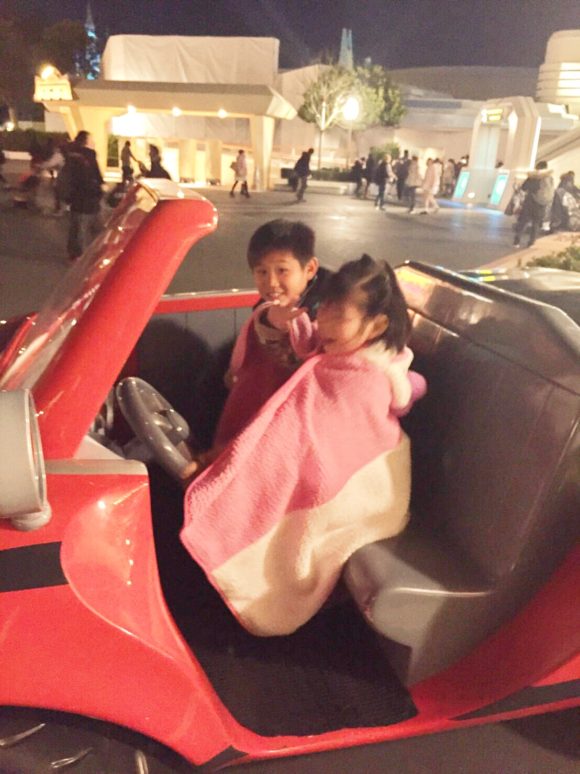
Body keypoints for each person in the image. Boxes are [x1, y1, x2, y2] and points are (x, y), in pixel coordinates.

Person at [180, 254, 426, 636]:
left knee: (251, 491)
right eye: (324, 309)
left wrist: (232, 464)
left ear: (377, 325)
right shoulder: (335, 355)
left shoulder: (366, 380)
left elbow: (316, 446)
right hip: (320, 462)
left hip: (366, 490)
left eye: (339, 315)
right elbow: (294, 426)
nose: (324, 323)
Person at [182, 219, 332, 478]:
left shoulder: (330, 314)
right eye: (262, 272)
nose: (271, 282)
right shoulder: (268, 309)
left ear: (309, 269)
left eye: (282, 270)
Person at [65, 130, 104, 260]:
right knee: (88, 227)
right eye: (91, 139)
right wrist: (99, 188)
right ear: (86, 142)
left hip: (76, 198)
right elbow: (93, 177)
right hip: (88, 197)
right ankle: (85, 255)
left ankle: (74, 253)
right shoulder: (88, 157)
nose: (94, 142)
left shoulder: (72, 156)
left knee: (77, 226)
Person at [513, 160, 555, 248]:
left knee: (523, 221)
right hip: (541, 204)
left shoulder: (533, 177)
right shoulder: (549, 178)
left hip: (530, 202)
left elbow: (524, 188)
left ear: (537, 167)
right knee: (536, 223)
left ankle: (517, 241)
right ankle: (531, 243)